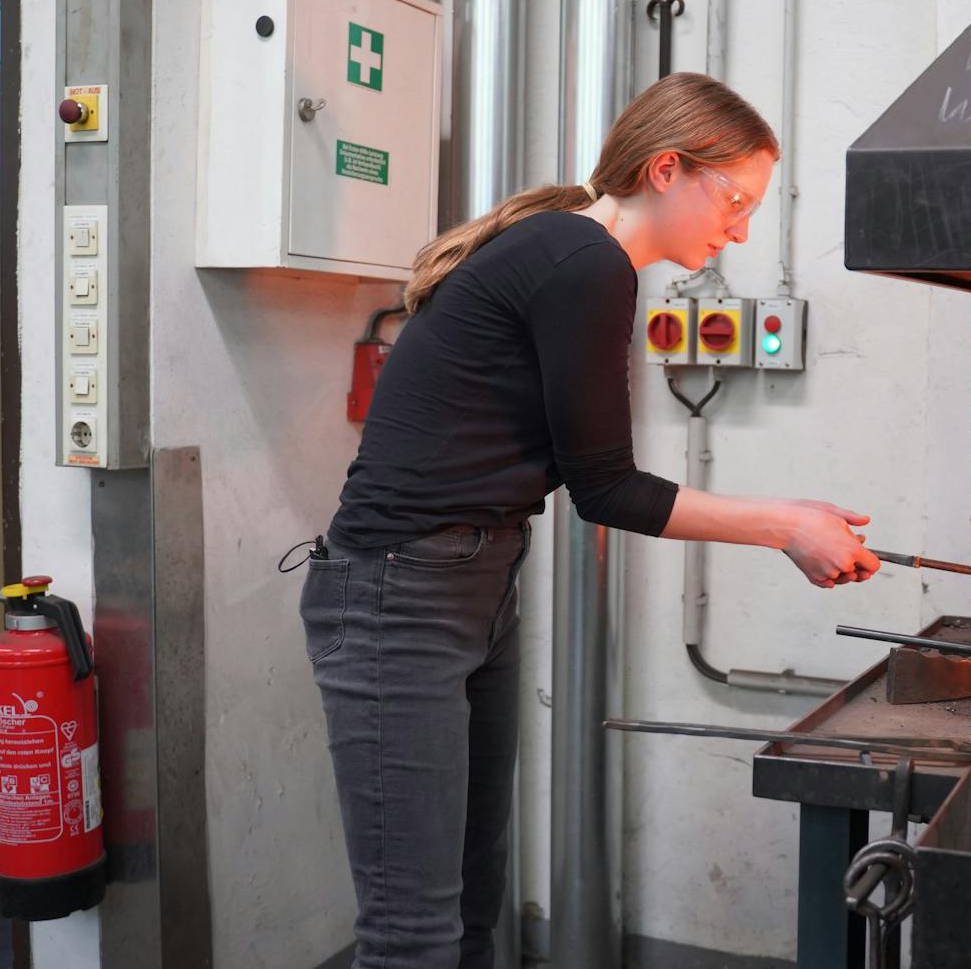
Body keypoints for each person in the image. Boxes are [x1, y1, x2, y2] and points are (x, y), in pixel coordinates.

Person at [295, 72, 879, 968]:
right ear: (668, 168)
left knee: (470, 909)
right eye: (734, 200)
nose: (741, 229)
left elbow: (589, 477)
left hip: (472, 584)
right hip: (397, 596)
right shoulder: (583, 260)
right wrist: (785, 525)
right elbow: (605, 487)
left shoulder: (582, 258)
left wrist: (788, 517)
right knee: (413, 934)